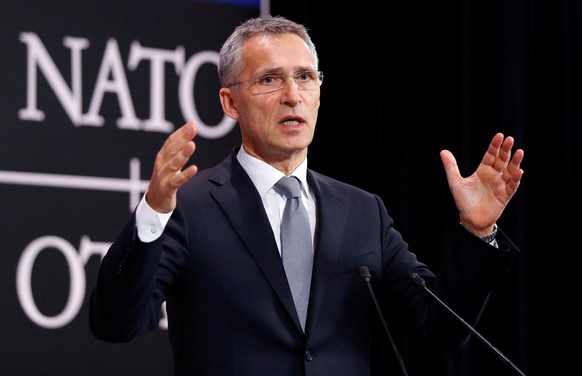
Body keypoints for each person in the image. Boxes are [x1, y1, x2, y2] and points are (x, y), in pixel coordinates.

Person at [89, 15, 525, 376]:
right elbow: (116, 323)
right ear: (230, 102)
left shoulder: (361, 211)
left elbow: (439, 328)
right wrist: (153, 212)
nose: (292, 95)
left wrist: (477, 230)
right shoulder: (191, 204)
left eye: (304, 77)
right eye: (269, 80)